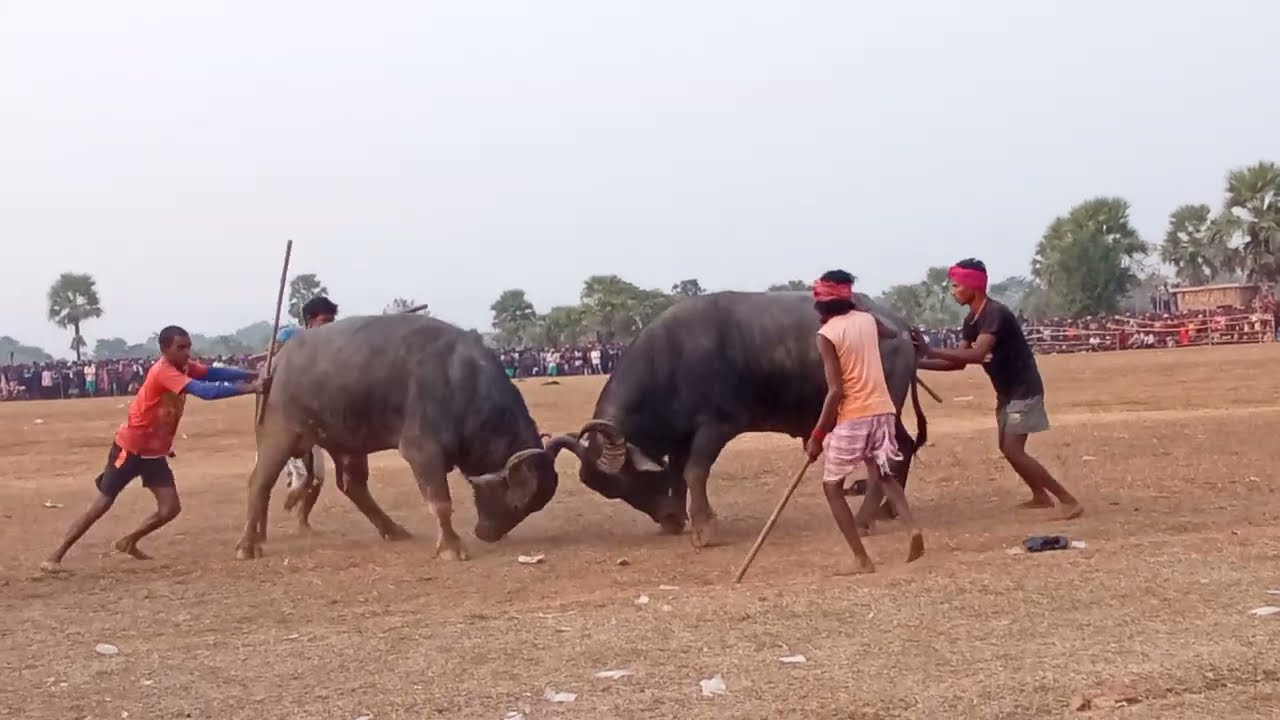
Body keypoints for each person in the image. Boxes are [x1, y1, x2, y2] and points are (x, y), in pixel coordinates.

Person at [41, 326, 264, 573]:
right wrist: (251, 387)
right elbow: (205, 391)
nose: (187, 352)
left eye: (188, 346)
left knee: (170, 509)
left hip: (154, 452)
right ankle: (55, 555)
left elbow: (211, 373)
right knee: (102, 504)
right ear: (164, 349)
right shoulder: (164, 372)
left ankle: (129, 541)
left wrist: (251, 372)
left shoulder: (184, 367)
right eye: (181, 347)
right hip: (131, 447)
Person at [916, 258, 1084, 520]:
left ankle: (1068, 501)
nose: (952, 291)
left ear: (973, 286)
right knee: (1007, 449)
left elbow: (977, 354)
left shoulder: (995, 314)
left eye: (956, 285)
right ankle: (1040, 496)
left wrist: (928, 349)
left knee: (1014, 450)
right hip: (1006, 392)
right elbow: (959, 362)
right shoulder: (972, 320)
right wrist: (917, 363)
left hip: (1023, 389)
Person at [805, 270, 925, 575]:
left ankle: (861, 559)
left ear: (821, 303)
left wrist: (818, 434)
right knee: (884, 475)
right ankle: (912, 528)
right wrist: (860, 308)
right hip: (883, 410)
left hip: (854, 415)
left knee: (832, 488)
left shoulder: (827, 335)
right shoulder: (868, 321)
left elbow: (836, 390)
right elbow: (891, 333)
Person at [260, 296, 339, 516]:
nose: (329, 327)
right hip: (287, 420)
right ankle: (257, 526)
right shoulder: (290, 338)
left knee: (318, 477)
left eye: (332, 321)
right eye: (324, 321)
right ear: (310, 321)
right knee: (279, 476)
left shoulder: (333, 346)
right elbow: (275, 362)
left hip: (316, 421)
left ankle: (303, 519)